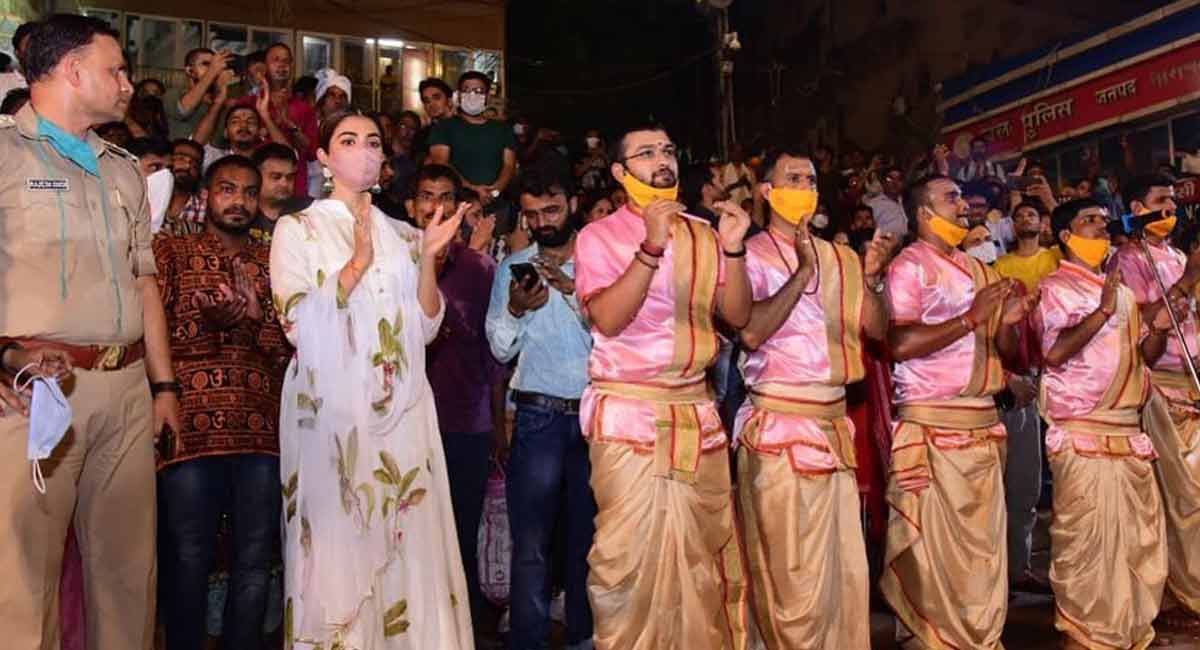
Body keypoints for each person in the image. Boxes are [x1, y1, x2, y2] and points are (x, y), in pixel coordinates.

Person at [0, 14, 181, 648]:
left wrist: (163, 388)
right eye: (117, 70)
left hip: (127, 389)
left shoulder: (124, 169)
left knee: (130, 576)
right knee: (22, 585)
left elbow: (145, 284)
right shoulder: (3, 154)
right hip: (33, 394)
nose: (129, 84)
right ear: (73, 71)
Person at [269, 109, 472, 648]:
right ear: (323, 156)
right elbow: (295, 324)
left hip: (402, 406)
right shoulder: (298, 228)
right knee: (338, 545)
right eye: (348, 139)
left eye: (373, 142)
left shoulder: (406, 233)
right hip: (331, 411)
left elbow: (428, 326)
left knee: (408, 544)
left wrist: (428, 257)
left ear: (385, 159)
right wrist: (355, 265)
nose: (363, 149)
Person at [574, 124, 754, 650]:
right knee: (627, 561)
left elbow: (738, 316)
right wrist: (650, 246)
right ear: (619, 172)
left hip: (698, 414)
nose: (662, 161)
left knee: (702, 558)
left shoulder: (702, 233)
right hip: (630, 416)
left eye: (669, 150)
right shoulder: (599, 236)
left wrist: (736, 250)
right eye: (646, 153)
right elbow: (607, 318)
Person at [735, 150, 898, 647]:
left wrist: (870, 276)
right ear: (766, 191)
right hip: (780, 428)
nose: (804, 186)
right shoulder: (750, 253)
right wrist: (803, 272)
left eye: (809, 178)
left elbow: (877, 329)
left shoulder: (841, 256)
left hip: (833, 428)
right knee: (789, 575)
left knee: (840, 573)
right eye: (792, 178)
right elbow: (752, 332)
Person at [880, 174, 1034, 649]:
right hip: (933, 426)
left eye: (962, 197)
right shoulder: (908, 266)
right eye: (951, 197)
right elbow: (900, 343)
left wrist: (1008, 323)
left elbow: (1000, 348)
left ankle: (980, 639)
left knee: (983, 552)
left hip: (983, 428)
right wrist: (970, 317)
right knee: (936, 555)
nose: (963, 205)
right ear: (923, 213)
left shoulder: (979, 269)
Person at [153, 154, 290, 650]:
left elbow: (288, 353)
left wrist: (254, 320)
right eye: (228, 189)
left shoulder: (274, 258)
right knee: (189, 555)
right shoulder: (171, 251)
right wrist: (206, 324)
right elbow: (155, 336)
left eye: (249, 192)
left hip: (261, 432)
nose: (239, 201)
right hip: (190, 429)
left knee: (255, 558)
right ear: (207, 197)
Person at [1038, 198, 1170, 648]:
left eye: (1101, 219)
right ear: (1064, 235)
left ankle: (1128, 629)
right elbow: (1054, 354)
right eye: (1087, 220)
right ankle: (1085, 635)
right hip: (1083, 430)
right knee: (1086, 545)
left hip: (1126, 429)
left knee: (1136, 541)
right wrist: (1101, 309)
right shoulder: (1054, 287)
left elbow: (1143, 359)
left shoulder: (1124, 293)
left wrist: (1161, 332)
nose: (1099, 227)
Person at [486, 168, 596, 650]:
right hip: (537, 415)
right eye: (531, 214)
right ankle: (527, 641)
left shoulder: (601, 264)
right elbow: (499, 349)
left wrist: (572, 294)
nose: (541, 221)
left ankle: (582, 638)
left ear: (572, 204)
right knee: (529, 544)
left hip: (596, 415)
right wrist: (514, 309)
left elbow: (615, 336)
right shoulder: (514, 265)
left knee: (588, 543)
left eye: (550, 210)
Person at [404, 163, 504, 645]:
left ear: (462, 209)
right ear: (409, 206)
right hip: (401, 421)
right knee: (408, 530)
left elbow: (494, 351)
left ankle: (461, 629)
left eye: (447, 197)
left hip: (466, 420)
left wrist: (498, 422)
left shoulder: (481, 269)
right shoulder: (394, 259)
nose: (436, 207)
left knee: (462, 529)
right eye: (426, 196)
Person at [1112, 174, 1200, 629]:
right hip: (1160, 384)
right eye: (1160, 201)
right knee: (1180, 495)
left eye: (1172, 201)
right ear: (1136, 207)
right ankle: (1183, 597)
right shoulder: (1128, 259)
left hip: (1193, 378)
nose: (1170, 208)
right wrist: (1186, 283)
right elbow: (1139, 322)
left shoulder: (1179, 254)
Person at [992, 201, 1061, 593]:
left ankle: (1018, 566)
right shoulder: (998, 274)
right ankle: (993, 572)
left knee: (1025, 483)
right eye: (1016, 215)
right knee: (996, 487)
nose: (1025, 221)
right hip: (1001, 387)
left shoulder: (1053, 258)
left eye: (1032, 215)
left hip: (1038, 377)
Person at [239, 43, 319, 199]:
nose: (282, 65)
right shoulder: (248, 103)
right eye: (276, 60)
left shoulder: (304, 108)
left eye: (287, 61)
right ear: (264, 66)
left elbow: (311, 152)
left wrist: (290, 125)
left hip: (292, 189)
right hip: (255, 188)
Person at [427, 71, 517, 203]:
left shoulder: (502, 129)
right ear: (459, 96)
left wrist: (495, 191)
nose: (472, 95)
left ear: (487, 97)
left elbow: (509, 165)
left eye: (479, 91)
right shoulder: (444, 127)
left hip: (498, 203)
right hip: (459, 202)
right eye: (466, 90)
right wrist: (472, 189)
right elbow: (441, 163)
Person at [164, 48, 235, 140]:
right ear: (190, 71)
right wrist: (212, 71)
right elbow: (182, 110)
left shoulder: (225, 102)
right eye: (206, 64)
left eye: (215, 65)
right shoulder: (173, 94)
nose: (215, 69)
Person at [308, 69, 352, 195]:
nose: (337, 101)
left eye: (342, 96)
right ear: (322, 100)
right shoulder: (310, 126)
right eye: (332, 95)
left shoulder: (350, 130)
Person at [251, 142, 298, 243]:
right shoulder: (242, 213)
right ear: (256, 177)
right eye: (276, 177)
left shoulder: (307, 212)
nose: (284, 183)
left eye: (289, 177)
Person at [161, 138, 207, 237]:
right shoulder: (146, 195)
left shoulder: (206, 206)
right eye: (181, 158)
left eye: (195, 163)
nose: (187, 165)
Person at [414, 77, 452, 162]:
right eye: (427, 101)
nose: (432, 104)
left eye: (437, 98)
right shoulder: (422, 136)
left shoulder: (463, 127)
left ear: (449, 100)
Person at [865, 165, 907, 237]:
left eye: (899, 179)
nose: (895, 183)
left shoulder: (906, 203)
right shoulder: (874, 204)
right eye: (890, 179)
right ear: (883, 182)